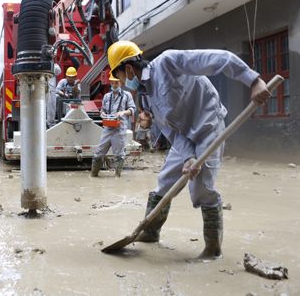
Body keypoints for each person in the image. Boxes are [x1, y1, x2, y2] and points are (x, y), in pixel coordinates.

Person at [108, 41, 271, 260]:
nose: (121, 82)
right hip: (185, 137)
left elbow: (219, 58)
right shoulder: (145, 96)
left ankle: (213, 249)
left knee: (201, 186)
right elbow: (171, 131)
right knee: (165, 181)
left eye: (119, 77)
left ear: (128, 69)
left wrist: (253, 80)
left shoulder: (168, 63)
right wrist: (188, 157)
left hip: (208, 127)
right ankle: (150, 231)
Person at [90, 73, 136, 178]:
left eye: (116, 83)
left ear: (121, 83)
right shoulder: (107, 96)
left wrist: (122, 113)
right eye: (112, 83)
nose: (114, 85)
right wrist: (103, 114)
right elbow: (103, 110)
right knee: (98, 152)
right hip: (107, 128)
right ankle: (93, 175)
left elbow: (132, 109)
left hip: (120, 129)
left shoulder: (127, 95)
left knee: (119, 155)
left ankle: (117, 177)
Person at [46, 63, 61, 129]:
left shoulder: (53, 65)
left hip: (51, 90)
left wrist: (49, 65)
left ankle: (51, 124)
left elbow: (58, 71)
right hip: (40, 89)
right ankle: (41, 124)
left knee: (51, 107)